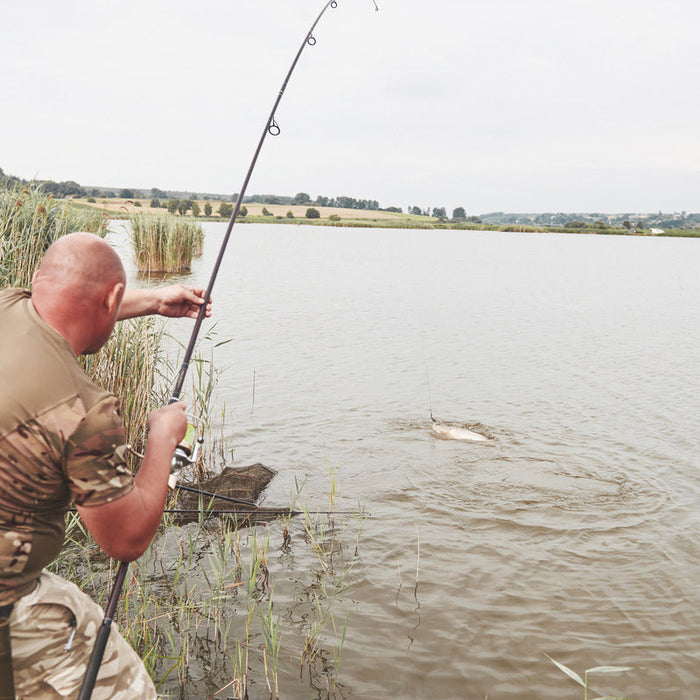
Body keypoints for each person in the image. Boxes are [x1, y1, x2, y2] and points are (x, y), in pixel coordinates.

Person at [0, 231, 212, 698]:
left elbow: (75, 300)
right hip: (7, 601)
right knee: (131, 690)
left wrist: (155, 300)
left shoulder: (7, 305)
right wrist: (162, 438)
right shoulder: (83, 410)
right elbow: (126, 539)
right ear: (112, 297)